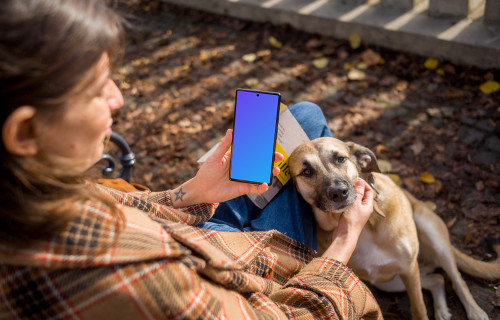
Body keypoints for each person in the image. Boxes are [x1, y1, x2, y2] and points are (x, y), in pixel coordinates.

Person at [0, 0, 382, 319]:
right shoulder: (130, 274)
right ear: (26, 132)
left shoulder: (29, 193)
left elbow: (121, 201)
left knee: (305, 115)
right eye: (99, 89)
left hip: (201, 231)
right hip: (261, 265)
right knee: (306, 128)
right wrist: (344, 242)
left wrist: (192, 191)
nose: (118, 98)